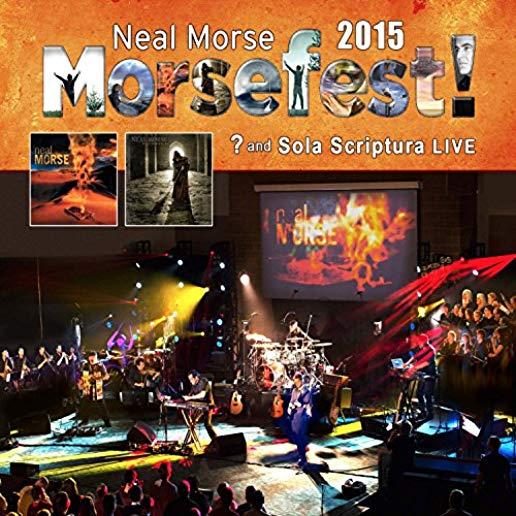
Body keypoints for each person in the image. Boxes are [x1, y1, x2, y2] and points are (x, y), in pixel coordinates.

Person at [475, 435, 512, 515]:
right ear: (499, 445)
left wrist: (477, 487)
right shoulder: (504, 460)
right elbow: (508, 478)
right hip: (500, 490)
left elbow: (481, 475)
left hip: (488, 489)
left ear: (489, 445)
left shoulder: (485, 459)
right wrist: (509, 491)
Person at [386, 420, 415, 508]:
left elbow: (389, 446)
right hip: (407, 468)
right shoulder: (412, 440)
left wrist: (392, 435)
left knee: (392, 489)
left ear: (401, 430)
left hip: (395, 468)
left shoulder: (398, 440)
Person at [78, 352, 111, 427]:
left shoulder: (100, 365)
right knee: (86, 405)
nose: (92, 360)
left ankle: (107, 421)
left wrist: (98, 377)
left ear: (96, 358)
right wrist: (82, 383)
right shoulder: (86, 365)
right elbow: (83, 376)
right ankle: (85, 421)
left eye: (93, 358)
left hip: (97, 387)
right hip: (88, 387)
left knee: (101, 405)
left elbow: (106, 376)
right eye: (90, 358)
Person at [287, 372, 312, 468]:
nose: (296, 384)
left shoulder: (306, 391)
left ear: (301, 381)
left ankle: (303, 459)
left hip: (302, 417)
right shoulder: (294, 390)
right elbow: (291, 401)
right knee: (296, 437)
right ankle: (301, 456)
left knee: (301, 437)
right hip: (294, 417)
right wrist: (289, 407)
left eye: (297, 382)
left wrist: (300, 405)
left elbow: (307, 403)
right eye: (295, 382)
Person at [183, 370, 217, 441]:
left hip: (208, 405)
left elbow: (202, 394)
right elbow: (190, 394)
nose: (190, 381)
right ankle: (193, 440)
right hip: (199, 405)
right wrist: (184, 398)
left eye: (191, 379)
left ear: (196, 378)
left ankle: (216, 440)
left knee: (207, 424)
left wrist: (189, 398)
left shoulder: (203, 381)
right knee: (192, 422)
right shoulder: (194, 385)